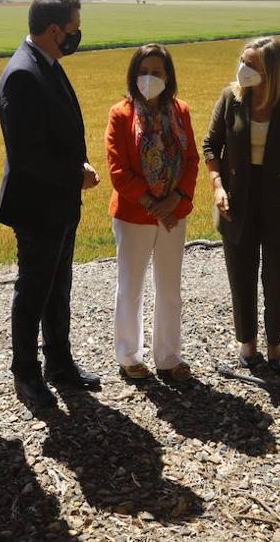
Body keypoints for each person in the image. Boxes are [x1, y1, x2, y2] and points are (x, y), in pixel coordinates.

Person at [0, 0, 102, 410]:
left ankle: (59, 364)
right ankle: (26, 373)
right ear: (55, 29)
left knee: (59, 286)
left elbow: (57, 132)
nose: (77, 36)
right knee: (34, 289)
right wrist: (74, 173)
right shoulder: (24, 73)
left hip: (58, 202)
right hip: (38, 204)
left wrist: (79, 162)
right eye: (74, 29)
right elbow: (27, 153)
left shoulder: (47, 64)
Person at [204, 37, 280, 372]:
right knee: (240, 274)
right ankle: (247, 343)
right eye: (242, 61)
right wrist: (217, 186)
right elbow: (211, 144)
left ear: (272, 70)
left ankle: (274, 345)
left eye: (251, 64)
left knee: (276, 275)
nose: (243, 69)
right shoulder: (231, 98)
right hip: (237, 200)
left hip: (279, 201)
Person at [104, 44, 200, 383]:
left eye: (157, 72)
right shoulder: (121, 114)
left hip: (173, 213)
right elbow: (118, 171)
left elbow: (191, 161)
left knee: (170, 287)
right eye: (143, 71)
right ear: (133, 76)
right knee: (131, 286)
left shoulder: (181, 111)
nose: (149, 78)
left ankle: (169, 358)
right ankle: (129, 355)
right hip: (134, 215)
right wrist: (153, 203)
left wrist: (173, 200)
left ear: (168, 76)